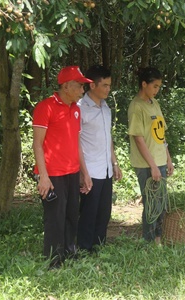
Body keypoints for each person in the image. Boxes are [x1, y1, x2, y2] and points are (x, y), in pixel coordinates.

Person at [32, 66, 93, 268]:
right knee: (55, 218)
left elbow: (76, 143)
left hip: (72, 171)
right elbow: (37, 144)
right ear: (66, 86)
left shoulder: (75, 109)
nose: (82, 91)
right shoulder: (45, 107)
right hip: (53, 174)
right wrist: (43, 176)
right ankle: (53, 260)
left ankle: (69, 252)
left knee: (71, 214)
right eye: (79, 86)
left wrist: (84, 173)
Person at [77, 65, 123, 254]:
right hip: (90, 170)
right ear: (92, 86)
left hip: (105, 169)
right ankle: (84, 248)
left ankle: (99, 246)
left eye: (109, 85)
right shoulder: (80, 109)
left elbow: (108, 137)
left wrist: (114, 163)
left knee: (104, 212)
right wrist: (83, 172)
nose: (108, 89)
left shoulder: (106, 108)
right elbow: (76, 142)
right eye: (104, 85)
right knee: (88, 212)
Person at [128, 67, 174, 245]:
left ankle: (158, 239)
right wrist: (153, 166)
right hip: (147, 164)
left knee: (161, 203)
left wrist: (168, 158)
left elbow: (161, 134)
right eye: (154, 86)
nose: (157, 90)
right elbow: (138, 139)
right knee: (151, 204)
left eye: (159, 86)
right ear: (144, 84)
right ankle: (149, 242)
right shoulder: (136, 106)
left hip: (160, 160)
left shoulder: (154, 103)